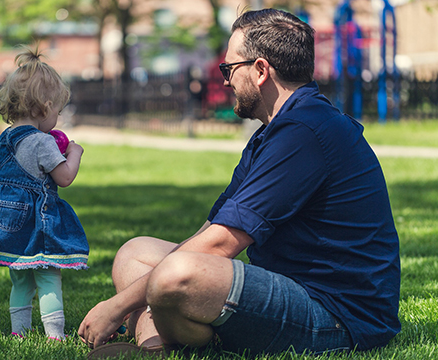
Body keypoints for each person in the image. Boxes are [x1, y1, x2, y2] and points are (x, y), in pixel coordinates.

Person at [79, 8, 401, 358]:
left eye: (229, 69)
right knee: (135, 255)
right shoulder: (275, 132)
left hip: (337, 316)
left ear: (261, 70)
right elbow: (211, 231)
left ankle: (168, 337)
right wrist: (148, 287)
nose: (225, 80)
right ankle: (156, 347)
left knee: (176, 275)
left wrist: (115, 308)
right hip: (291, 288)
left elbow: (220, 246)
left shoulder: (305, 132)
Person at [0, 47, 89, 341]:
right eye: (58, 111)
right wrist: (74, 153)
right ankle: (55, 335)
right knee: (49, 275)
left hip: (7, 223)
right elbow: (64, 178)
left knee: (21, 280)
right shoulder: (42, 142)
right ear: (44, 107)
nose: (58, 118)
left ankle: (20, 333)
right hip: (35, 226)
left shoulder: (3, 139)